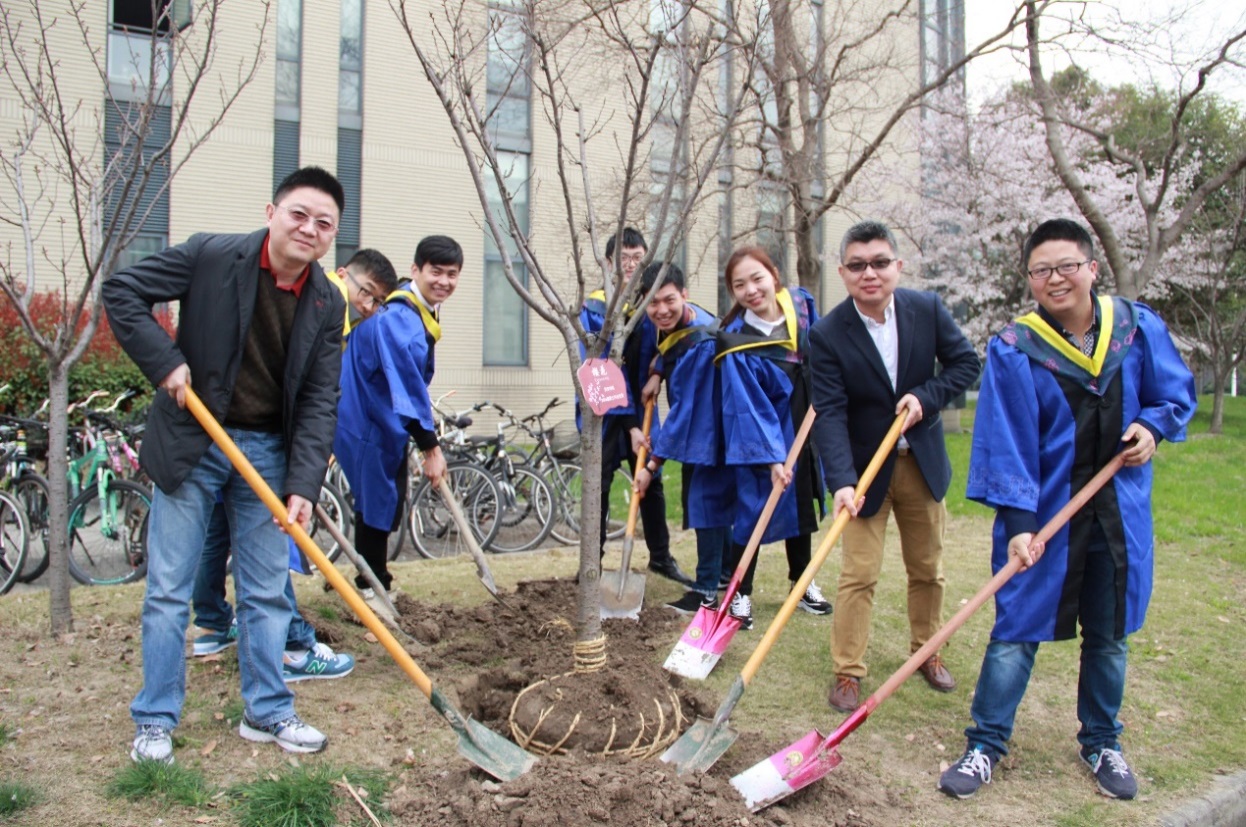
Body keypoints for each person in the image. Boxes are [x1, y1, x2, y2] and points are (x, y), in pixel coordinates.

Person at [938, 218, 1196, 801]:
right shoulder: (1015, 348)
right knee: (1015, 631)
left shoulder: (1135, 328)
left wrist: (1153, 427)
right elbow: (1007, 440)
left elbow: (1173, 395)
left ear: (1091, 269)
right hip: (1045, 511)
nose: (1055, 279)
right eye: (1041, 271)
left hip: (1118, 511)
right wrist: (1021, 529)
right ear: (1030, 278)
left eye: (1066, 267)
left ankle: (1103, 741)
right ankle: (985, 744)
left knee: (1108, 636)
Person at [103, 166, 349, 762]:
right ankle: (155, 718)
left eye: (324, 224)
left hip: (266, 452)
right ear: (272, 211)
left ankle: (268, 711)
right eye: (299, 214)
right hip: (195, 436)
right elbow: (122, 291)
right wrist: (164, 361)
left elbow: (320, 399)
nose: (309, 229)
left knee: (267, 590)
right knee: (168, 588)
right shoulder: (211, 256)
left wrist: (303, 484)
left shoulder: (325, 301)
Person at [189, 249, 400, 681]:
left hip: (229, 428)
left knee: (219, 527)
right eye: (367, 293)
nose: (369, 307)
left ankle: (211, 621)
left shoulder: (310, 295)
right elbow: (313, 393)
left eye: (378, 301)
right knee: (269, 541)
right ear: (343, 275)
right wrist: (305, 456)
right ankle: (293, 645)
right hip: (262, 438)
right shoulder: (326, 308)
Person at [810, 220, 980, 713]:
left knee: (928, 568)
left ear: (898, 266)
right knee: (858, 574)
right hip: (866, 473)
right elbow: (831, 412)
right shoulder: (827, 334)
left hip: (920, 464)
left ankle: (927, 652)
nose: (870, 273)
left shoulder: (925, 310)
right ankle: (848, 671)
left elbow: (965, 364)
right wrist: (841, 481)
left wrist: (925, 398)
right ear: (843, 272)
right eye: (858, 265)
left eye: (880, 263)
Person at [334, 236, 462, 599]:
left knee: (386, 497)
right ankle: (371, 586)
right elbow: (407, 381)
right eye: (435, 272)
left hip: (383, 415)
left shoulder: (420, 312)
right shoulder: (400, 316)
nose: (443, 282)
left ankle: (371, 575)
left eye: (452, 275)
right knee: (375, 497)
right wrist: (430, 448)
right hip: (366, 416)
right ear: (416, 271)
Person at [715, 246, 830, 631]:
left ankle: (801, 581)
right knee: (753, 512)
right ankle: (740, 591)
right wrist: (772, 458)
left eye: (757, 278)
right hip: (762, 435)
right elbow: (746, 406)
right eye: (739, 284)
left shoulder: (800, 307)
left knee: (801, 507)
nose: (751, 289)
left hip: (804, 424)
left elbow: (824, 354)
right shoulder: (736, 340)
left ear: (774, 275)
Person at [579, 227, 693, 587]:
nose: (630, 265)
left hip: (640, 410)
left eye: (637, 258)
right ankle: (591, 564)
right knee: (598, 484)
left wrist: (658, 372)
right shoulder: (596, 309)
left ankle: (660, 557)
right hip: (605, 414)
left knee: (651, 482)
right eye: (623, 258)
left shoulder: (650, 305)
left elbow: (665, 344)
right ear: (609, 263)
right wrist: (629, 422)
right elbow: (599, 368)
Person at [633, 262, 735, 613]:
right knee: (714, 506)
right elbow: (671, 346)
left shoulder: (702, 342)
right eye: (653, 303)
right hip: (708, 426)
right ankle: (723, 575)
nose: (661, 310)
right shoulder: (686, 321)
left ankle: (705, 591)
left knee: (706, 506)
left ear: (684, 295)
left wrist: (652, 463)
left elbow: (683, 414)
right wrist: (658, 371)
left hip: (709, 430)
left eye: (669, 300)